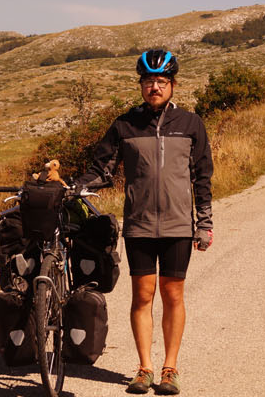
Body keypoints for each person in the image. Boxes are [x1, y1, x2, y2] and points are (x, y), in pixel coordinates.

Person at [75, 49, 213, 395]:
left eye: (162, 81)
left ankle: (170, 368)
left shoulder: (191, 124)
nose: (155, 87)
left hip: (179, 225)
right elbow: (102, 169)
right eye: (149, 81)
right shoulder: (125, 124)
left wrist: (205, 222)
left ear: (173, 85)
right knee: (142, 295)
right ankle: (144, 368)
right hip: (139, 225)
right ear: (141, 84)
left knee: (173, 294)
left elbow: (202, 177)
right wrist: (77, 185)